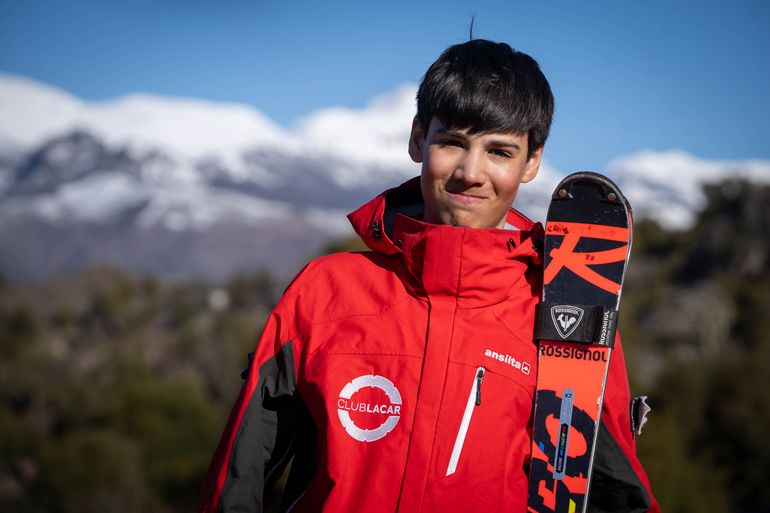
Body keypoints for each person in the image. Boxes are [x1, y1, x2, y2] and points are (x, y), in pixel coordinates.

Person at [199, 39, 660, 513]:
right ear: (419, 138)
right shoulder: (325, 292)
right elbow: (239, 476)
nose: (470, 172)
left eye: (500, 151)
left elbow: (613, 490)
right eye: (452, 143)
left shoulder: (566, 312)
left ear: (532, 162)